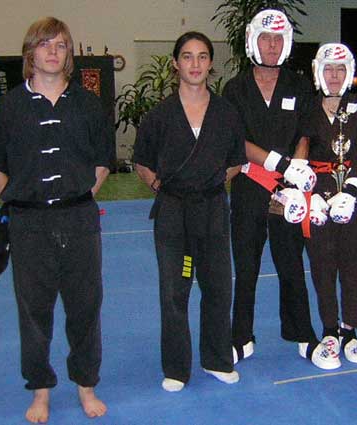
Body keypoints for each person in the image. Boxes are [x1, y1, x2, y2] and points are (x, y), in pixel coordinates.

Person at [0, 17, 112, 423]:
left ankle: (86, 385)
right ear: (30, 53)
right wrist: (20, 199)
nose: (53, 52)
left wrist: (78, 197)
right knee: (34, 312)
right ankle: (40, 390)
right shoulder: (9, 108)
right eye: (45, 44)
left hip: (79, 220)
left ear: (69, 54)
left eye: (61, 45)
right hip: (29, 224)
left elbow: (103, 161)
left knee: (85, 307)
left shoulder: (88, 105)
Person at [223, 9, 337, 369]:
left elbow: (304, 133)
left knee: (291, 265)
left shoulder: (299, 85)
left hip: (289, 190)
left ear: (285, 43)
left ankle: (303, 335)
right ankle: (240, 337)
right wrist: (279, 164)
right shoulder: (235, 88)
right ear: (252, 42)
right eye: (265, 38)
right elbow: (236, 140)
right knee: (246, 267)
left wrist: (297, 171)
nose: (272, 45)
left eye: (277, 39)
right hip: (249, 186)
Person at [133, 31, 246, 392]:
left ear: (211, 64)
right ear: (175, 64)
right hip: (173, 214)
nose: (195, 64)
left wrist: (209, 182)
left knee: (218, 287)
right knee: (174, 290)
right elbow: (142, 162)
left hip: (212, 210)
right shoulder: (159, 115)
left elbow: (236, 161)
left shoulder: (227, 113)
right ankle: (176, 368)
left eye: (202, 57)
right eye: (187, 56)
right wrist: (161, 187)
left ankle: (217, 359)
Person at [304, 43, 357, 368]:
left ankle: (350, 330)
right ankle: (330, 328)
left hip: (353, 199)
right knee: (322, 265)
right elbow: (299, 151)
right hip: (318, 198)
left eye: (340, 69)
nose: (334, 75)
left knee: (356, 265)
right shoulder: (307, 106)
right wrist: (309, 192)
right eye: (329, 69)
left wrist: (354, 190)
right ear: (319, 72)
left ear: (349, 73)